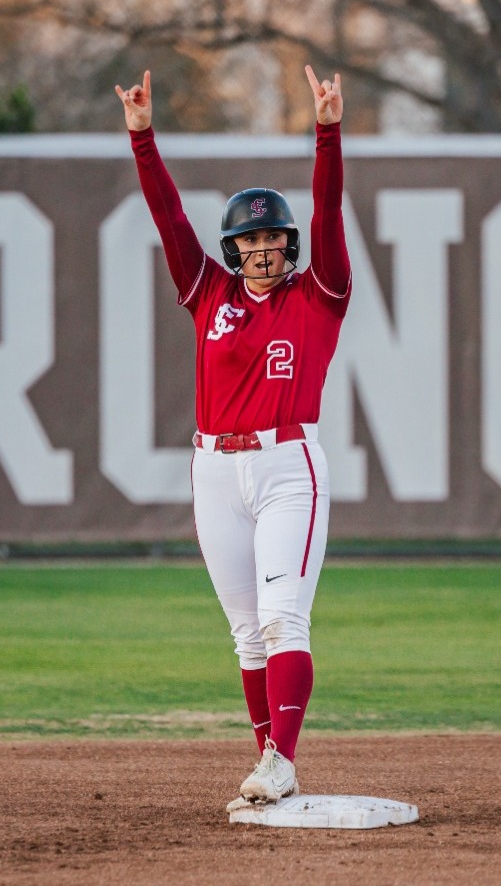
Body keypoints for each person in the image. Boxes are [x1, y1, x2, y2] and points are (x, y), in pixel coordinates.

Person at [115, 66, 349, 810]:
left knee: (286, 617)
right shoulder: (209, 291)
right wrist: (143, 138)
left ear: (289, 243)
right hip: (214, 467)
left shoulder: (318, 296)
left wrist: (327, 131)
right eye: (250, 234)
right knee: (248, 633)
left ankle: (281, 759)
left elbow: (331, 208)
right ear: (233, 245)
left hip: (287, 465)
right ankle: (271, 765)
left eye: (274, 233)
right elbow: (169, 221)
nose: (264, 244)